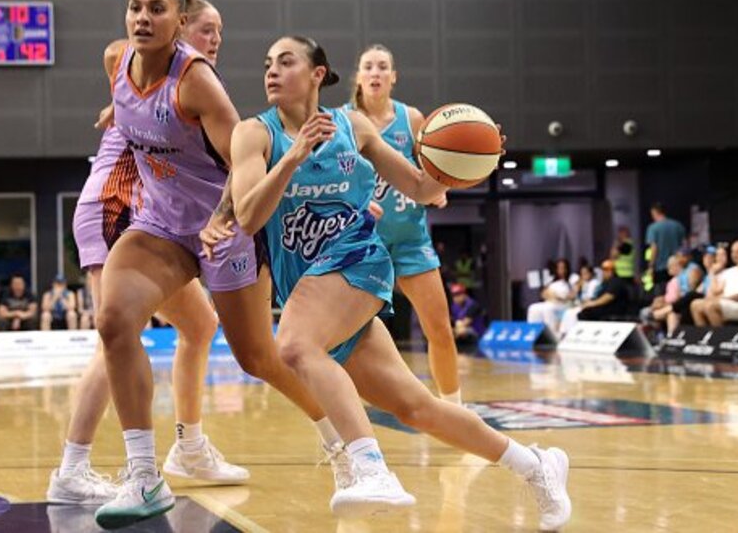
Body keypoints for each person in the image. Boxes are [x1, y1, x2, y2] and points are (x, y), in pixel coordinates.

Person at [230, 35, 570, 528]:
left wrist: (467, 158)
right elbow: (246, 216)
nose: (272, 71)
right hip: (311, 285)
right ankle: (537, 465)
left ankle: (370, 468)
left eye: (286, 62)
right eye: (267, 64)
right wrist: (291, 158)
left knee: (295, 346)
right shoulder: (254, 135)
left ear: (317, 74)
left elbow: (422, 188)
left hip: (359, 260)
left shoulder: (355, 126)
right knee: (416, 407)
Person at [92, 0, 340, 529]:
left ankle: (338, 432)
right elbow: (133, 113)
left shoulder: (197, 82)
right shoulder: (118, 65)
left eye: (156, 10)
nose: (142, 19)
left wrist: (222, 219)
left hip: (222, 226)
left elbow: (241, 160)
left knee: (256, 357)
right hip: (159, 225)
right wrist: (116, 115)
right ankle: (143, 476)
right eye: (135, 8)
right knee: (112, 319)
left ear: (179, 24)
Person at [52, 0, 246, 509]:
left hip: (144, 209)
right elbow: (120, 61)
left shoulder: (185, 83)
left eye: (221, 33)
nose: (215, 41)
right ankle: (74, 467)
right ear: (184, 23)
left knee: (200, 325)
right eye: (208, 29)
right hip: (118, 205)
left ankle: (189, 445)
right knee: (113, 333)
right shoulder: (136, 61)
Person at [347, 43, 462, 403]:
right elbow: (330, 175)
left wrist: (438, 190)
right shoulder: (344, 119)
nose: (376, 72)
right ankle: (342, 411)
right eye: (369, 66)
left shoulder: (411, 119)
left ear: (393, 78)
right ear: (359, 77)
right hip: (361, 243)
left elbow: (431, 172)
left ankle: (454, 408)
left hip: (411, 239)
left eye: (383, 67)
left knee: (440, 329)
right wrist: (358, 201)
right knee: (340, 335)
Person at [691, 239, 738, 326]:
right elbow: (716, 291)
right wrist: (712, 273)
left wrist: (717, 300)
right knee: (695, 304)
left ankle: (719, 337)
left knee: (710, 306)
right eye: (733, 252)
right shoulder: (730, 271)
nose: (735, 255)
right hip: (727, 302)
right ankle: (704, 336)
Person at [645, 203, 686, 294]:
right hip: (677, 266)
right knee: (677, 292)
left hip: (660, 267)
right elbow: (685, 245)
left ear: (655, 212)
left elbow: (654, 248)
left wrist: (650, 266)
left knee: (661, 294)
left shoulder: (653, 228)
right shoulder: (678, 226)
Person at [526, 259, 573, 335]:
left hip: (563, 304)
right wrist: (553, 295)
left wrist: (556, 296)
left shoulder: (572, 279)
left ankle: (552, 334)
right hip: (550, 302)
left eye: (563, 268)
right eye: (559, 268)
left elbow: (571, 296)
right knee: (533, 308)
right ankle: (533, 334)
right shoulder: (552, 280)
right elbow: (543, 294)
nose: (561, 270)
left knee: (548, 309)